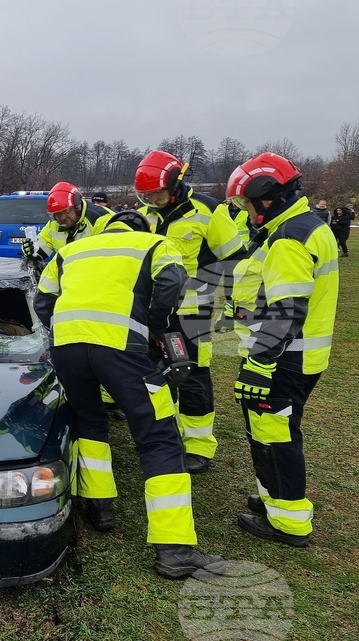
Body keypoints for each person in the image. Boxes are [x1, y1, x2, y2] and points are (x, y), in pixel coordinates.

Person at [34, 209, 224, 578]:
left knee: (89, 422)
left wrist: (67, 332)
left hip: (67, 347)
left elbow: (43, 303)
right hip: (124, 348)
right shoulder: (156, 243)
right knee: (159, 436)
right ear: (144, 226)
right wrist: (155, 328)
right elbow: (172, 282)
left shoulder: (74, 250)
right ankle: (175, 549)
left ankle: (100, 505)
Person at [226, 152, 338, 547]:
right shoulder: (304, 226)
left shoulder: (289, 238)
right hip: (298, 355)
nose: (246, 211)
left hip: (283, 359)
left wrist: (259, 363)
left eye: (247, 202)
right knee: (269, 430)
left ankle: (288, 521)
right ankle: (273, 498)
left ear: (268, 196)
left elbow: (287, 309)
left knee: (275, 435)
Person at [135, 150, 246, 474]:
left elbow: (236, 261)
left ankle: (198, 446)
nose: (153, 199)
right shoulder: (146, 215)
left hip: (193, 312)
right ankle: (165, 437)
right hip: (152, 311)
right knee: (155, 374)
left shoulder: (209, 211)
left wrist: (233, 304)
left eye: (158, 192)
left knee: (194, 375)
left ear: (176, 184)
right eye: (147, 195)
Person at [22, 182, 114, 263]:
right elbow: (41, 251)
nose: (62, 218)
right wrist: (31, 251)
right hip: (70, 276)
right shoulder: (54, 224)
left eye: (67, 211)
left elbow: (110, 259)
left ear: (77, 207)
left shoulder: (101, 220)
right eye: (58, 214)